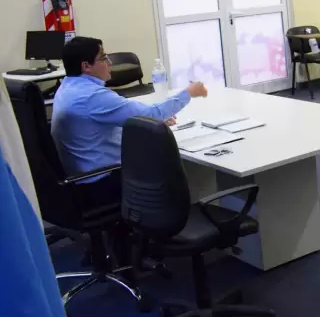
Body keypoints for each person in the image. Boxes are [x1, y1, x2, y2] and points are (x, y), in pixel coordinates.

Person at [51, 36, 208, 206]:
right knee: (167, 161)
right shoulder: (92, 96)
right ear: (86, 66)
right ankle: (180, 211)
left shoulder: (67, 87)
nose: (110, 62)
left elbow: (100, 123)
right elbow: (151, 113)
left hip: (80, 179)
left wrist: (145, 123)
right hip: (103, 182)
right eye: (103, 58)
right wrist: (189, 93)